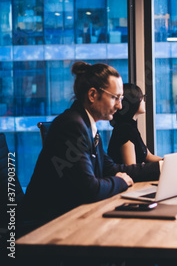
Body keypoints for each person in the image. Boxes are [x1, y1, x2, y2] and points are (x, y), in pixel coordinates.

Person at [20, 62, 161, 227]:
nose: (120, 105)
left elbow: (110, 169)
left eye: (121, 98)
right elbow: (89, 189)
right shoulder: (72, 125)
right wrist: (121, 182)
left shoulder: (88, 125)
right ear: (93, 95)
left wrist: (162, 168)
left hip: (68, 215)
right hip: (45, 224)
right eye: (115, 98)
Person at [108, 83, 163, 165]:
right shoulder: (125, 130)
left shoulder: (131, 127)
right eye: (142, 97)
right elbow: (132, 168)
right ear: (133, 102)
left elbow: (148, 156)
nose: (144, 101)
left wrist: (169, 161)